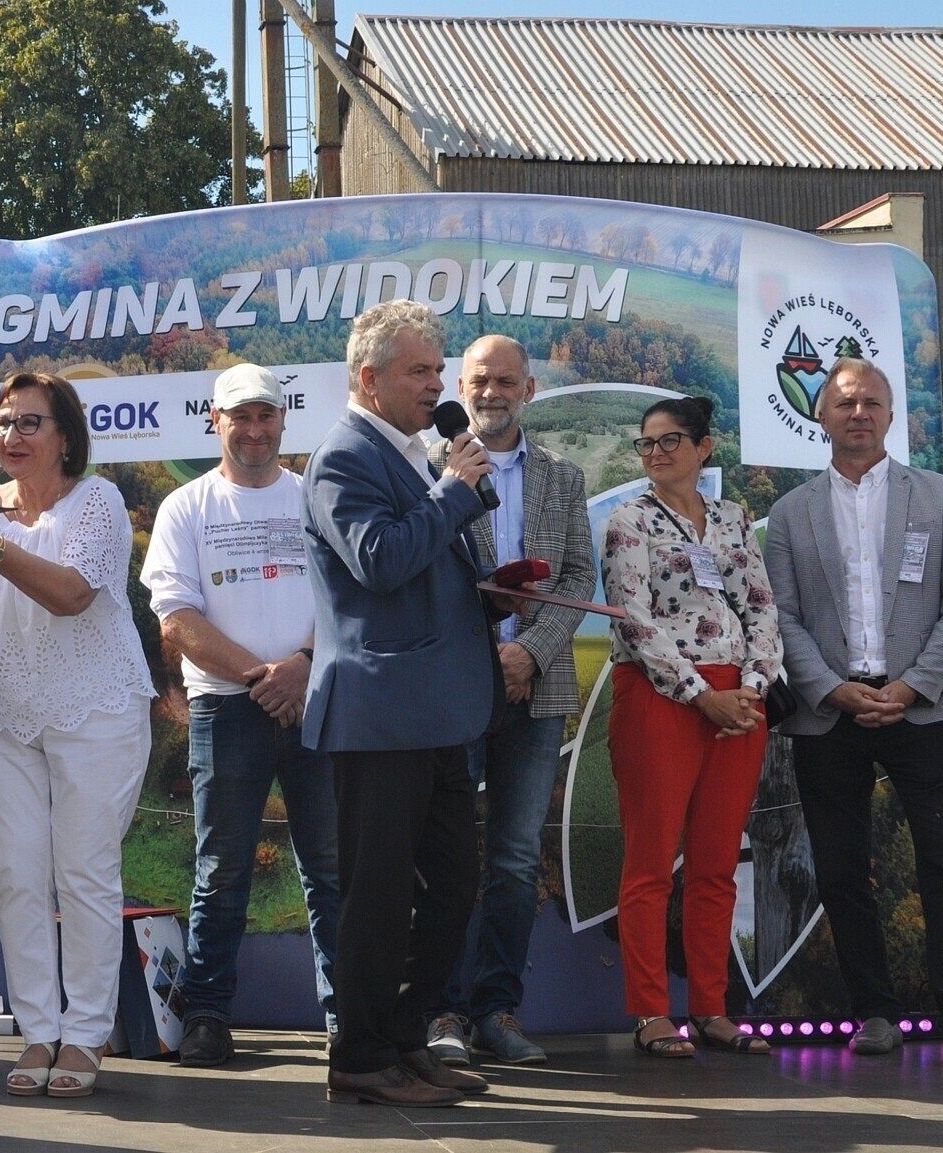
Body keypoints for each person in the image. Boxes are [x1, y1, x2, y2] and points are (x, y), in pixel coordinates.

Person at [0, 371, 155, 1099]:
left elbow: (73, 594)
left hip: (96, 706)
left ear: (64, 436)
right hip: (3, 712)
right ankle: (37, 1029)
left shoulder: (97, 502)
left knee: (82, 872)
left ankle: (85, 1036)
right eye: (3, 421)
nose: (10, 435)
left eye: (28, 423)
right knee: (15, 870)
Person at [303, 299, 513, 1108]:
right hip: (380, 710)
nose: (436, 383)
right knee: (379, 896)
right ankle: (358, 1055)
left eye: (436, 367)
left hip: (437, 708)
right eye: (419, 370)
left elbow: (422, 566)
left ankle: (401, 1033)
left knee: (454, 886)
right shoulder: (342, 457)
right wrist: (455, 491)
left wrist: (486, 592)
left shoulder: (417, 452)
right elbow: (380, 561)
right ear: (369, 378)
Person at [765, 359, 943, 1069]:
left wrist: (913, 684)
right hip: (827, 712)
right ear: (821, 417)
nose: (856, 413)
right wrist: (830, 686)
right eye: (842, 403)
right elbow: (782, 615)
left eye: (869, 402)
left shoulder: (940, 495)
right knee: (839, 869)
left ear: (892, 415)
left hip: (919, 709)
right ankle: (873, 1011)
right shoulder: (789, 512)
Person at [140, 362, 340, 1067]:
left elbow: (348, 597)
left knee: (329, 865)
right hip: (226, 709)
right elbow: (177, 621)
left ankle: (346, 1016)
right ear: (214, 422)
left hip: (318, 701)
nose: (253, 429)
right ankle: (207, 1015)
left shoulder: (317, 496)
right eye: (239, 416)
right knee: (221, 868)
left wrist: (303, 667)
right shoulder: (185, 507)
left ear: (283, 421)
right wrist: (264, 677)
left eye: (265, 415)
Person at [422, 335, 593, 1067]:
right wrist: (487, 653)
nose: (490, 392)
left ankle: (496, 1008)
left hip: (538, 682)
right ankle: (444, 1010)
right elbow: (421, 571)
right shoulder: (426, 468)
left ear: (528, 389)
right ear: (459, 388)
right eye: (477, 381)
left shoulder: (561, 475)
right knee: (448, 851)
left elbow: (580, 572)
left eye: (504, 381)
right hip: (456, 683)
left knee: (516, 857)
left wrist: (531, 650)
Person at [601, 395, 779, 1058]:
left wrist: (752, 691)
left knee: (715, 864)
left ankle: (710, 1005)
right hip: (661, 698)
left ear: (704, 447)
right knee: (649, 863)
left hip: (740, 704)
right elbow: (634, 621)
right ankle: (649, 1010)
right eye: (645, 443)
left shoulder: (734, 518)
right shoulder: (627, 521)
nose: (655, 453)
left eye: (669, 440)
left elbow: (761, 607)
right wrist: (703, 694)